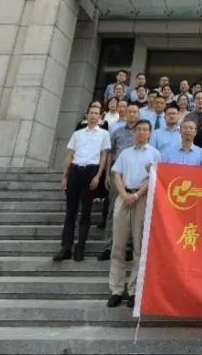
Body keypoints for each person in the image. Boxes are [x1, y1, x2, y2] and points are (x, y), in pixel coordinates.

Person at [106, 119, 160, 309]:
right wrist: (124, 195)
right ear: (134, 132)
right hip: (123, 197)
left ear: (150, 133)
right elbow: (116, 175)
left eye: (145, 130)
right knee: (118, 247)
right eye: (139, 129)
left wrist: (136, 195)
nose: (142, 133)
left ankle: (134, 290)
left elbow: (154, 178)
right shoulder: (125, 153)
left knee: (139, 247)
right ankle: (116, 289)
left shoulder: (155, 154)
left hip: (142, 198)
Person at [54, 102, 109, 262]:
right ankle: (66, 247)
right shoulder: (78, 134)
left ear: (100, 117)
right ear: (87, 115)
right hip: (75, 171)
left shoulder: (103, 134)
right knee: (70, 212)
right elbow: (70, 154)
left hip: (91, 171)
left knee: (85, 213)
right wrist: (65, 176)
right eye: (91, 113)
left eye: (96, 113)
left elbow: (104, 156)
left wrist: (98, 175)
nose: (93, 115)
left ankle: (80, 248)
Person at [99, 103, 140, 261]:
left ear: (138, 115)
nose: (132, 114)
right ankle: (109, 246)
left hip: (135, 174)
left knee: (132, 211)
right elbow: (110, 153)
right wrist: (108, 173)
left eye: (135, 112)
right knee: (112, 211)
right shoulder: (116, 131)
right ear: (125, 113)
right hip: (117, 173)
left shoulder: (143, 132)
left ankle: (129, 247)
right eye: (129, 111)